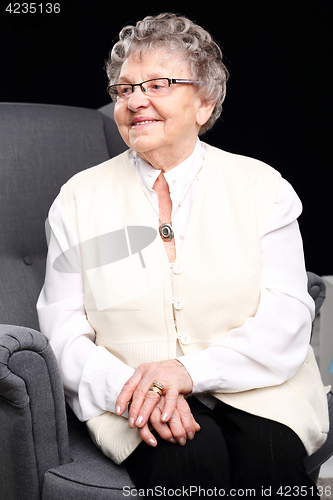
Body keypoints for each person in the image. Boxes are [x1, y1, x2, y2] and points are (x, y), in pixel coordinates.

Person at [37, 12, 329, 498]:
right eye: (125, 89)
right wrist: (133, 390)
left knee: (269, 457)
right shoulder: (78, 199)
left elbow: (288, 315)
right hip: (134, 397)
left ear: (205, 102)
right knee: (187, 458)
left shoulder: (263, 187)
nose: (136, 100)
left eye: (159, 84)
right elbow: (63, 329)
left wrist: (190, 373)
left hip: (260, 388)